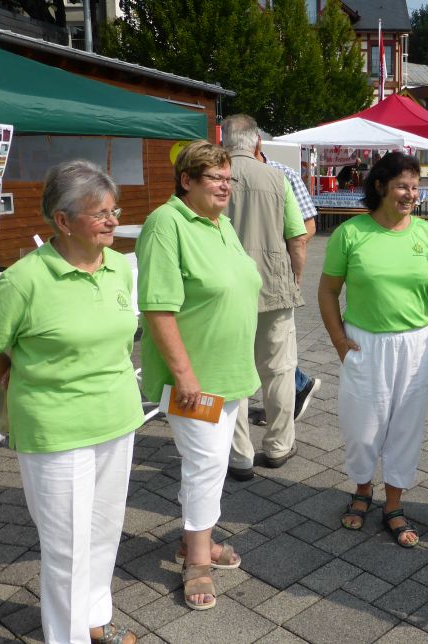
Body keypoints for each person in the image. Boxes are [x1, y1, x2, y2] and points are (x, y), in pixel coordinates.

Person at [0, 160, 143, 643]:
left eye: (114, 210)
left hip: (117, 418)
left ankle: (94, 622)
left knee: (104, 533)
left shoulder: (115, 270)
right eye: (100, 213)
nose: (112, 220)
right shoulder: (25, 279)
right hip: (56, 430)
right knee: (66, 548)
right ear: (62, 221)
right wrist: (22, 381)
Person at [136, 141, 261, 611]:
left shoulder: (221, 224)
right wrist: (184, 375)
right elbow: (157, 308)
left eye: (230, 179)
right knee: (205, 464)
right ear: (186, 180)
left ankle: (198, 540)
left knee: (210, 464)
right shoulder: (166, 224)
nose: (226, 186)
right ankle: (197, 559)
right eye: (215, 178)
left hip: (228, 373)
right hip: (194, 378)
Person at [318, 152, 428, 548]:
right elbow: (327, 292)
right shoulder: (351, 233)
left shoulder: (427, 235)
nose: (410, 194)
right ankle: (362, 489)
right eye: (402, 186)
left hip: (416, 343)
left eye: (415, 187)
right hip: (365, 342)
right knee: (362, 428)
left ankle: (394, 503)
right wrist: (340, 342)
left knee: (406, 427)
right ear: (379, 186)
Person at [222, 114, 308, 482]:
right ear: (257, 143)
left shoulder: (211, 179)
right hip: (272, 285)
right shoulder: (278, 177)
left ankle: (239, 455)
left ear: (224, 141)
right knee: (279, 371)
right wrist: (295, 279)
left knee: (232, 372)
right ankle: (277, 445)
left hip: (223, 291)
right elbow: (298, 238)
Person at [248, 149, 322, 426]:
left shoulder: (284, 173)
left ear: (256, 148)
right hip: (238, 273)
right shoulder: (227, 174)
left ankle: (296, 389)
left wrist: (286, 261)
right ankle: (297, 386)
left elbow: (307, 227)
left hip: (271, 271)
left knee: (271, 346)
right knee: (261, 346)